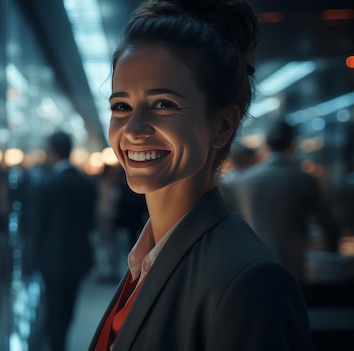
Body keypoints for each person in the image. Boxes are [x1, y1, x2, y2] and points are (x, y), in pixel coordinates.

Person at [89, 0, 312, 350]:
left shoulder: (249, 282)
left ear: (222, 125)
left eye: (163, 104)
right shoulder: (146, 260)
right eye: (121, 106)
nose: (133, 129)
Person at [237, 119, 340, 282]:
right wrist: (334, 257)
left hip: (251, 265)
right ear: (292, 144)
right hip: (293, 265)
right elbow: (327, 224)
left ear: (266, 145)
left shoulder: (245, 180)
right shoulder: (305, 179)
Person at [30, 130, 97, 351]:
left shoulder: (48, 186)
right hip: (78, 259)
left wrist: (32, 260)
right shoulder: (86, 184)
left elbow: (38, 228)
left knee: (54, 313)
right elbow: (90, 223)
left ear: (52, 152)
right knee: (67, 312)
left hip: (52, 262)